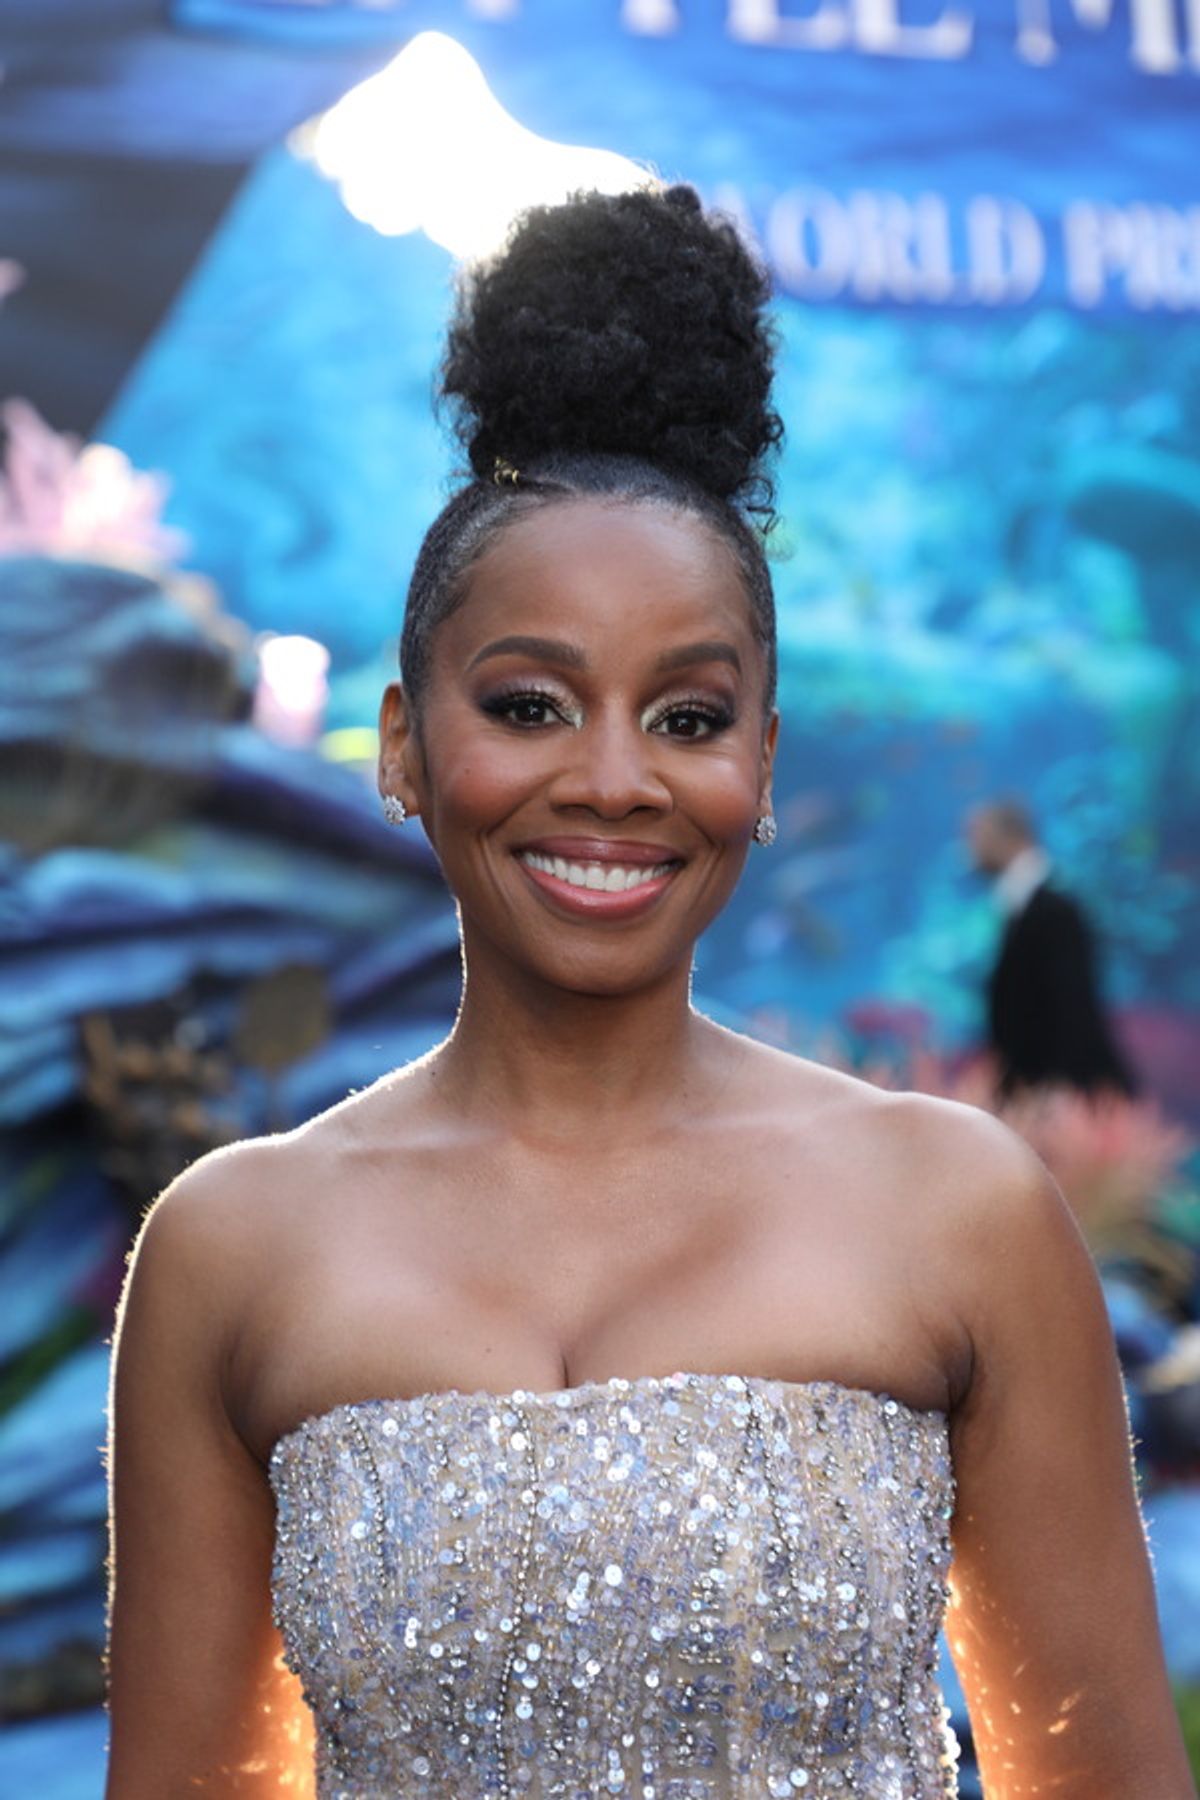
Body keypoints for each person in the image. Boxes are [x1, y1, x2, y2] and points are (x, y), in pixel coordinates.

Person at [104, 185, 1193, 1798]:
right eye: (531, 703)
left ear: (762, 758)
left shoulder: (957, 1211)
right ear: (405, 744)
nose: (612, 781)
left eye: (686, 718)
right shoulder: (229, 1248)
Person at [966, 799, 1139, 1100]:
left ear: (1012, 836)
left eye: (978, 835)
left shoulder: (1055, 909)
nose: (970, 848)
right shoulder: (1022, 904)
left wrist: (1061, 1088)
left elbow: (1071, 1004)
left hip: (1060, 1094)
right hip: (1033, 1089)